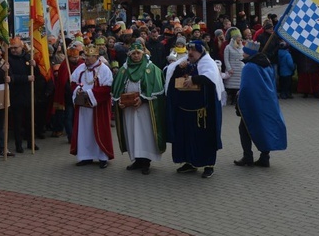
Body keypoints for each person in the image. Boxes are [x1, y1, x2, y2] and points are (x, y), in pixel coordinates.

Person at [164, 40, 224, 178]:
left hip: (204, 112)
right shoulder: (186, 62)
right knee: (187, 137)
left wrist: (195, 79)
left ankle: (209, 165)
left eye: (193, 50)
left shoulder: (208, 63)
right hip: (186, 109)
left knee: (205, 138)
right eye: (189, 49)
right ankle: (190, 162)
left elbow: (211, 78)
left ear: (201, 51)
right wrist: (179, 68)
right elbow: (171, 74)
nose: (190, 53)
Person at [111, 42, 166, 175]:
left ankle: (146, 161)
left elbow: (156, 89)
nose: (136, 56)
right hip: (129, 110)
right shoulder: (124, 69)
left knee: (144, 134)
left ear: (143, 53)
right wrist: (120, 102)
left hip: (145, 110)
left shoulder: (151, 68)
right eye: (133, 53)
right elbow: (117, 89)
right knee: (132, 133)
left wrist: (142, 99)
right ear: (129, 54)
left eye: (138, 53)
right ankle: (137, 159)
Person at [234, 46, 288, 168]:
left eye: (244, 52)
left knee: (244, 128)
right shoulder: (266, 64)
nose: (242, 54)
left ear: (249, 54)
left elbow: (247, 87)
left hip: (253, 103)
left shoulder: (249, 67)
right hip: (268, 101)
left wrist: (240, 97)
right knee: (264, 127)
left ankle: (248, 157)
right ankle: (264, 157)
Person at [70, 44, 114, 168]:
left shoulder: (104, 70)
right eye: (85, 56)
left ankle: (102, 157)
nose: (86, 59)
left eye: (89, 57)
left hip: (97, 107)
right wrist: (77, 90)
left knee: (99, 130)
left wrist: (89, 94)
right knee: (84, 131)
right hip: (83, 108)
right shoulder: (80, 68)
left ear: (96, 57)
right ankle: (85, 156)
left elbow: (107, 88)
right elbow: (73, 83)